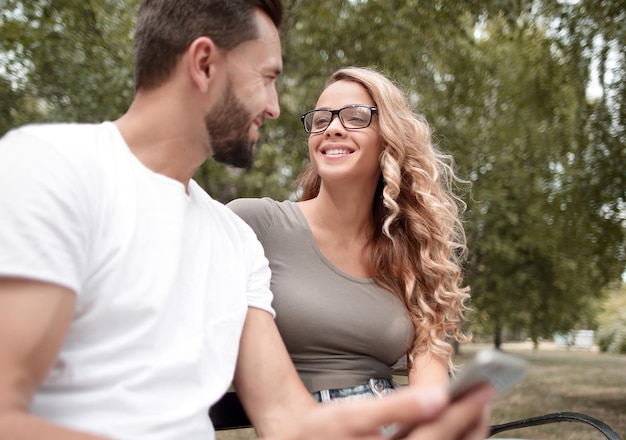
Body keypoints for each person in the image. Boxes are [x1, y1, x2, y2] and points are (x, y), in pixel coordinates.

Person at [0, 1, 495, 439]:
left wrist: (421, 421)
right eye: (267, 78)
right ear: (203, 64)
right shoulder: (51, 167)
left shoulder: (232, 240)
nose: (277, 109)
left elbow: (288, 417)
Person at [228, 66, 471, 402]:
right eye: (321, 120)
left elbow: (429, 368)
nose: (333, 128)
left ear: (389, 138)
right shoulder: (257, 223)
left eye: (356, 117)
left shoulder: (408, 249)